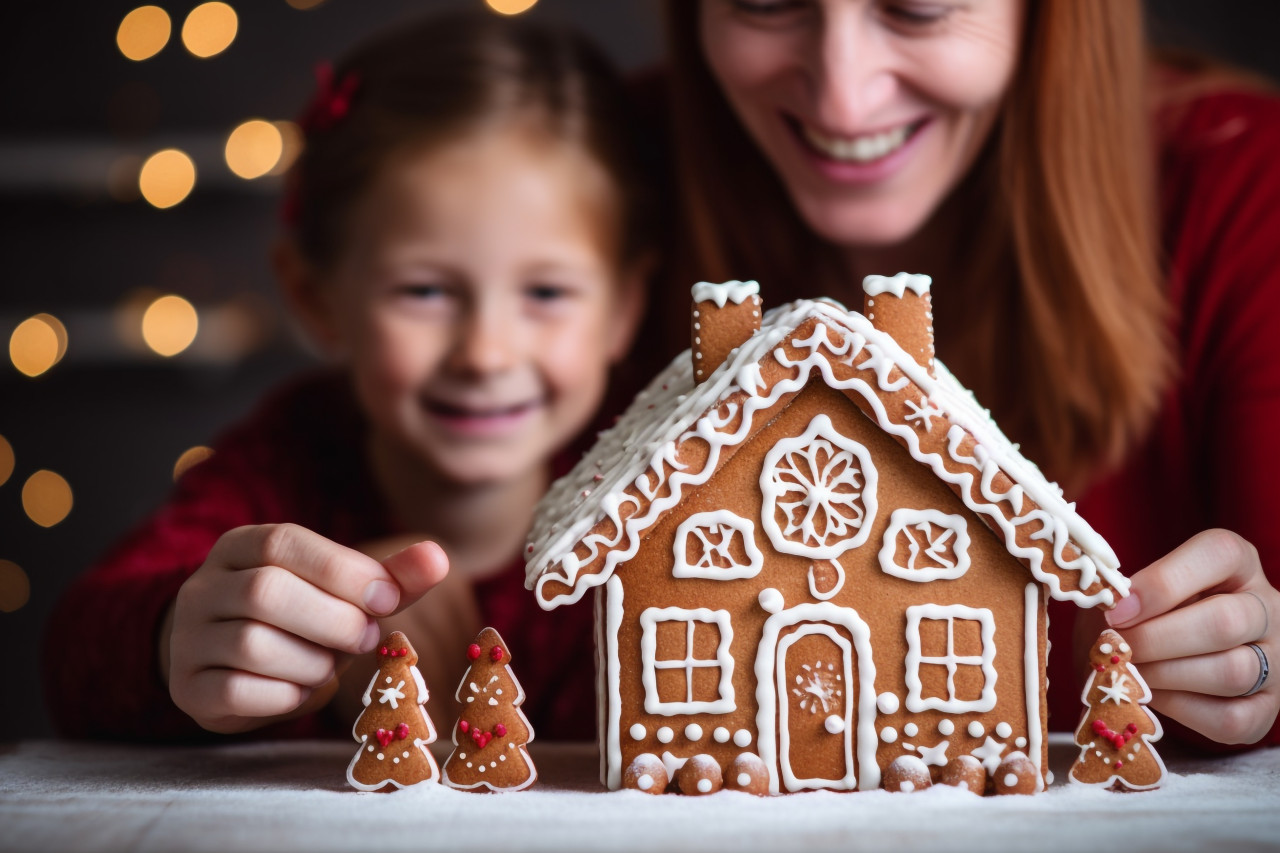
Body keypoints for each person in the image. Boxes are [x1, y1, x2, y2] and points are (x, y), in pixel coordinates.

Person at [660, 0, 1280, 747]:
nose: (843, 98)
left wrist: (1254, 657)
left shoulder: (1249, 190)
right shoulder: (582, 178)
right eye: (765, 2)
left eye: (919, 9)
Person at [43, 12, 655, 739]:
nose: (486, 353)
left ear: (624, 307)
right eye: (424, 291)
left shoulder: (661, 489)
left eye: (547, 294)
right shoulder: (287, 461)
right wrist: (195, 633)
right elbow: (77, 652)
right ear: (315, 297)